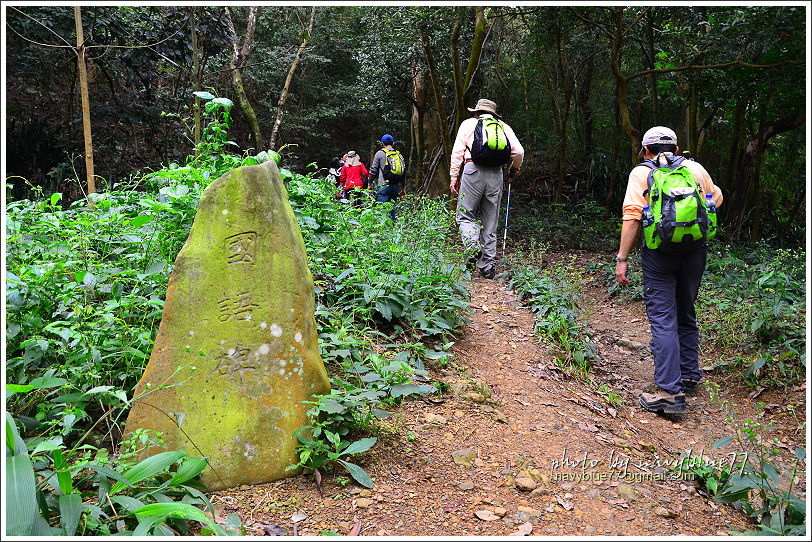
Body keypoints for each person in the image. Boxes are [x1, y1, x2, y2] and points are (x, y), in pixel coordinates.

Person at [615, 126, 723, 415]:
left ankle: (669, 392)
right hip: (694, 251)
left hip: (659, 254)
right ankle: (689, 376)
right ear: (676, 149)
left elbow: (632, 217)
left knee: (663, 319)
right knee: (686, 311)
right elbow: (717, 198)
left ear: (646, 150)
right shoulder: (695, 169)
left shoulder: (642, 173)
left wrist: (622, 258)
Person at [450, 98, 524, 279]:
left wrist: (454, 177)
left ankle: (472, 246)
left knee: (466, 215)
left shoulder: (468, 124)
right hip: (496, 175)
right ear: (493, 113)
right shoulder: (503, 126)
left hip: (472, 170)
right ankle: (488, 267)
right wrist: (514, 168)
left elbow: (457, 152)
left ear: (477, 112)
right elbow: (519, 152)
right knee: (490, 220)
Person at [368, 134, 406, 219]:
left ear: (382, 143)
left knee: (381, 209)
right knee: (391, 208)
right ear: (393, 143)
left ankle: (381, 229)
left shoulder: (380, 154)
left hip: (383, 185)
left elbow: (373, 170)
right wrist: (403, 188)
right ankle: (391, 227)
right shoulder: (398, 154)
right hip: (396, 185)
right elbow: (403, 171)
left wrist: (369, 183)